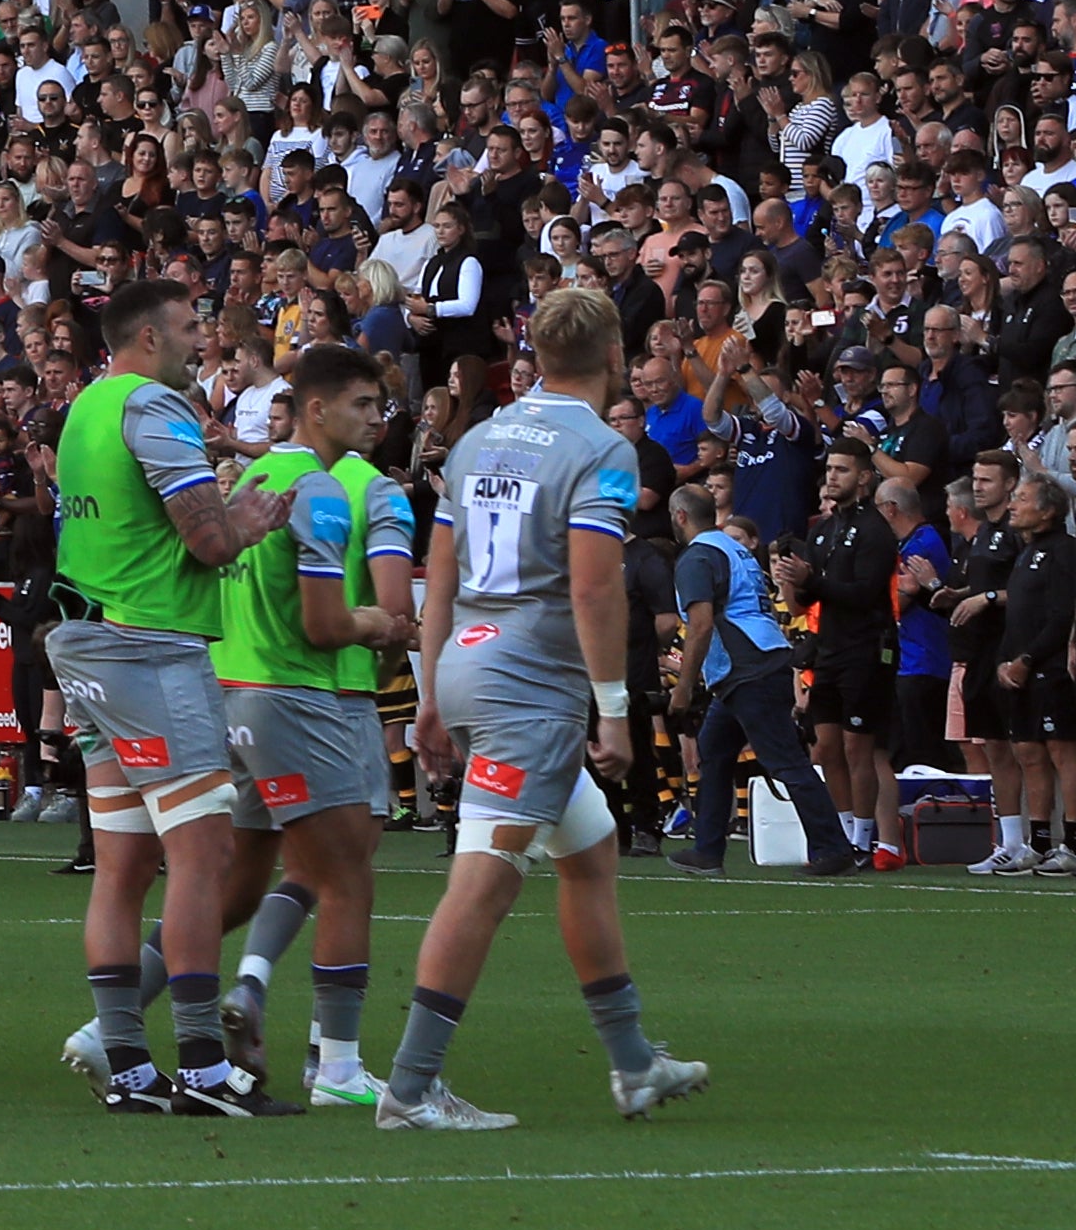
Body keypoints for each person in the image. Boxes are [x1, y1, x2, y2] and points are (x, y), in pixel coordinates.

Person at [385, 283, 707, 1130]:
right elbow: (597, 584)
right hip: (530, 689)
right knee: (482, 885)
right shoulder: (602, 448)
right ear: (613, 358)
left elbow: (441, 574)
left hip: (469, 663)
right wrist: (611, 708)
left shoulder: (479, 438)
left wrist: (428, 691)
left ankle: (635, 1063)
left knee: (591, 855)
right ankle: (411, 1088)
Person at [42, 280, 286, 1114]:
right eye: (188, 327)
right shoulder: (156, 406)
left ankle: (130, 1067)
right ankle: (207, 1073)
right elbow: (209, 537)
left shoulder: (85, 408)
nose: (202, 341)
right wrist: (245, 522)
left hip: (85, 640)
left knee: (120, 867)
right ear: (147, 336)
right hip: (148, 644)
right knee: (201, 856)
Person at [207, 342, 415, 1109]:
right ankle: (336, 1063)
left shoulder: (256, 479)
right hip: (328, 698)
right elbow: (391, 612)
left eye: (381, 407)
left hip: (233, 689)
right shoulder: (366, 493)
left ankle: (122, 1023)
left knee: (241, 885)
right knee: (345, 875)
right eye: (366, 405)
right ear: (321, 407)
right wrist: (387, 627)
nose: (377, 419)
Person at [668, 475, 858, 877]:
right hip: (760, 660)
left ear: (680, 516)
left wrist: (684, 687)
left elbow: (701, 625)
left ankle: (833, 848)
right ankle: (707, 849)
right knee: (714, 751)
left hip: (746, 669)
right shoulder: (734, 551)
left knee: (785, 762)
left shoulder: (697, 558)